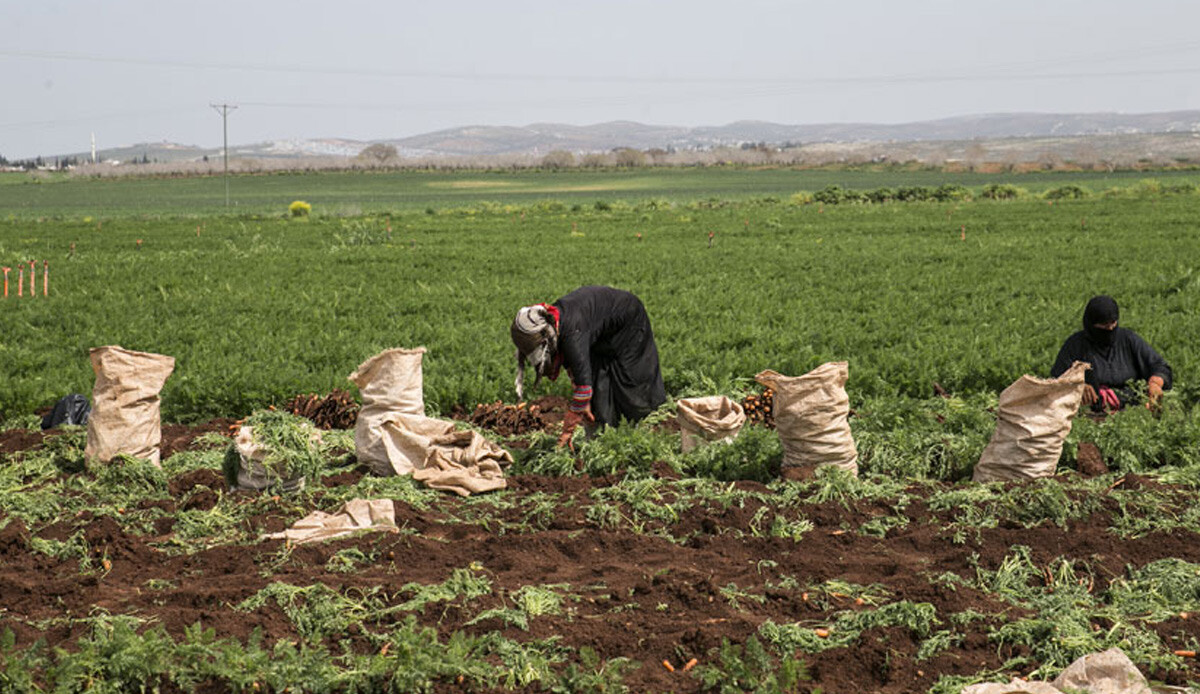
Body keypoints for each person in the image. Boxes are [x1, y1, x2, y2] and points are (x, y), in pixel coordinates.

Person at [511, 285, 666, 447]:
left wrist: (568, 429)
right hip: (601, 334)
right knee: (599, 385)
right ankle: (602, 440)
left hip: (629, 323)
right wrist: (582, 402)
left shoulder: (572, 333)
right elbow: (576, 369)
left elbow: (584, 388)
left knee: (631, 383)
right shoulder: (557, 322)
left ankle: (648, 435)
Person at [1051, 295, 1172, 412]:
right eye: (1104, 326)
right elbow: (1056, 381)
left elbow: (1159, 365)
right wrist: (1077, 387)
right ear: (1091, 325)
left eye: (1113, 323)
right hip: (1089, 411)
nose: (1110, 329)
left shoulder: (1128, 339)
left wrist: (1155, 384)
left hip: (1132, 407)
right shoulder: (1075, 345)